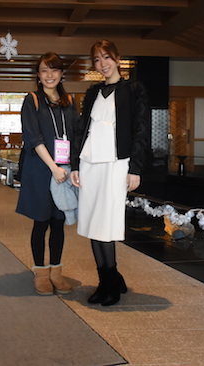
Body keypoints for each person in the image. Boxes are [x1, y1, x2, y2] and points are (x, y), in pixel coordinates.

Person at [71, 39, 149, 306]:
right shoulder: (92, 92)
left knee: (107, 222)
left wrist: (135, 168)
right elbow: (82, 129)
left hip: (117, 163)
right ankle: (107, 280)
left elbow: (141, 129)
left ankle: (111, 281)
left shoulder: (134, 89)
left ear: (117, 58)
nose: (102, 64)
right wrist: (74, 164)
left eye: (106, 57)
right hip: (90, 162)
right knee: (93, 221)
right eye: (97, 59)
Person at [16, 52, 78, 295]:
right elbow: (33, 138)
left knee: (58, 222)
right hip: (41, 170)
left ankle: (56, 273)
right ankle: (41, 273)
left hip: (65, 170)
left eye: (54, 70)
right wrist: (53, 167)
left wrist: (74, 168)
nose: (50, 75)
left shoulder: (70, 101)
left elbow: (76, 136)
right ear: (38, 75)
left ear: (61, 73)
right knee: (41, 222)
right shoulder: (32, 100)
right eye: (44, 70)